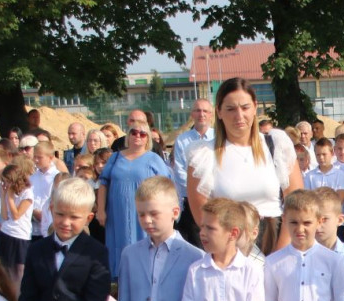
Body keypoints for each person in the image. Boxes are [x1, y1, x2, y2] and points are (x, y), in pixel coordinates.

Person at [187, 79, 304, 254]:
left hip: (278, 242)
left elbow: (296, 202)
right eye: (231, 109)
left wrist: (280, 254)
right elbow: (202, 216)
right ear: (218, 111)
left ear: (255, 107)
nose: (239, 116)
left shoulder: (277, 144)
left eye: (245, 107)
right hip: (229, 248)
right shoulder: (203, 154)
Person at [96, 120, 171, 278]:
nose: (138, 136)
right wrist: (101, 210)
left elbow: (166, 186)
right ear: (128, 135)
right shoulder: (115, 157)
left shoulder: (153, 159)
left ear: (147, 139)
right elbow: (103, 183)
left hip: (144, 214)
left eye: (142, 134)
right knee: (118, 245)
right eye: (134, 132)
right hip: (117, 213)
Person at [172, 98, 214, 249]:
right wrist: (196, 193)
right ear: (192, 114)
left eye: (205, 111)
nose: (201, 114)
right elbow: (180, 170)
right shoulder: (182, 140)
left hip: (216, 199)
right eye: (197, 110)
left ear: (211, 114)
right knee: (197, 244)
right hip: (191, 201)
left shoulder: (218, 138)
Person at [0, 164, 34, 291]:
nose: (6, 184)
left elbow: (16, 215)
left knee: (19, 271)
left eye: (8, 181)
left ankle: (19, 298)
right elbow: (4, 215)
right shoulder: (8, 193)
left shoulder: (27, 193)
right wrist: (3, 195)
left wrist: (11, 197)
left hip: (20, 235)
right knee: (5, 269)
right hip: (6, 232)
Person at [31, 142, 62, 241]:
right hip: (32, 229)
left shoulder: (57, 177)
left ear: (51, 157)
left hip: (49, 227)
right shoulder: (32, 177)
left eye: (39, 157)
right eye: (34, 157)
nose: (36, 160)